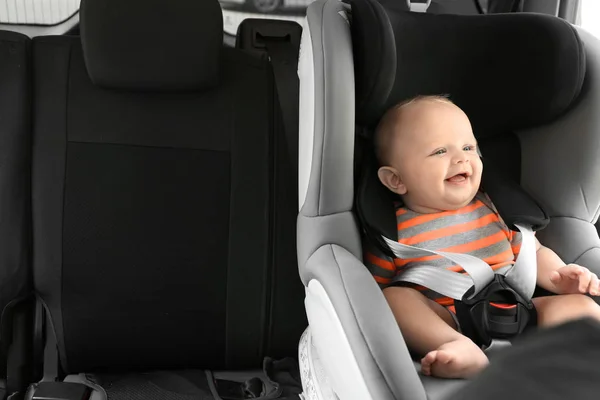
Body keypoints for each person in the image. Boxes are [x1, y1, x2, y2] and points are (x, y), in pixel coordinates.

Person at [364, 95, 600, 379]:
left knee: (581, 307)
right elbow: (374, 294)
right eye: (439, 151)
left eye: (468, 147)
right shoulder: (393, 232)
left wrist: (561, 276)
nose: (461, 157)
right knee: (394, 299)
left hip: (520, 309)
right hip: (449, 318)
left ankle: (578, 349)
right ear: (396, 180)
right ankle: (457, 348)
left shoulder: (494, 208)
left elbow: (533, 252)